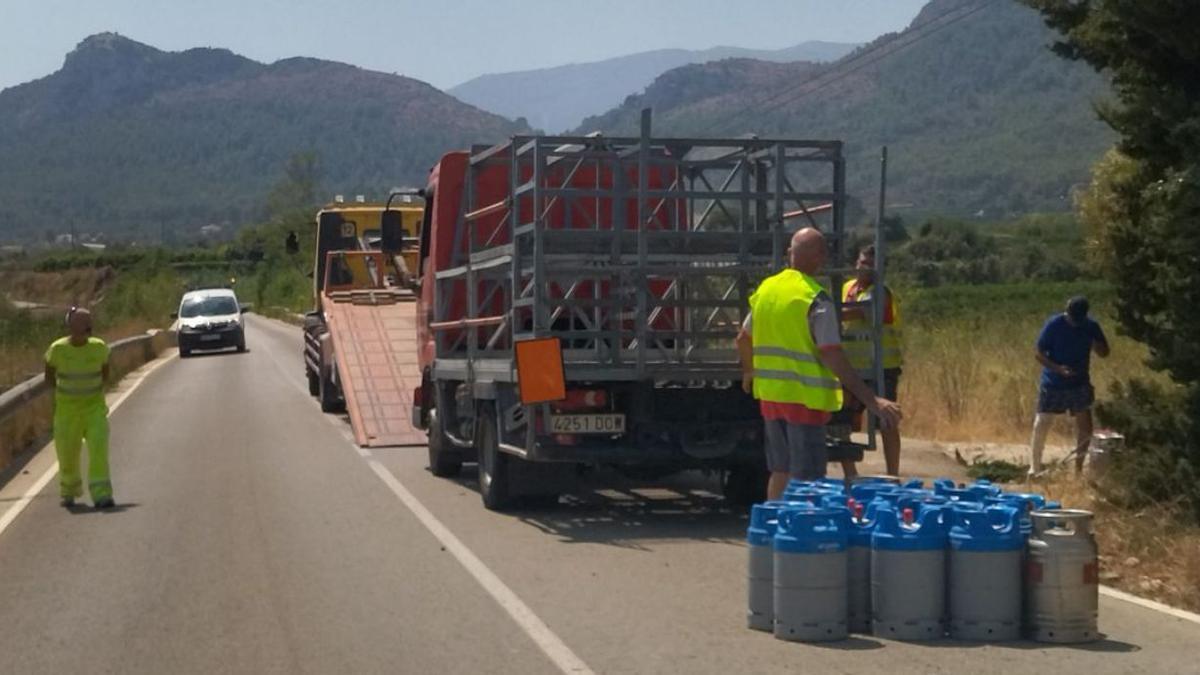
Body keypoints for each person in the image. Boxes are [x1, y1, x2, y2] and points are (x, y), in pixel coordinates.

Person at [736, 228, 902, 501]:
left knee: (780, 471)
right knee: (808, 478)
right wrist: (872, 400)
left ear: (791, 254)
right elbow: (832, 354)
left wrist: (749, 371)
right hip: (804, 401)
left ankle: (775, 528)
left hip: (770, 398)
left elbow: (742, 338)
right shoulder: (815, 298)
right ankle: (803, 537)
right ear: (820, 257)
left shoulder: (767, 290)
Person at [839, 244, 904, 477]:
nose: (862, 267)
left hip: (882, 367)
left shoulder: (881, 292)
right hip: (852, 368)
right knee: (841, 422)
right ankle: (851, 475)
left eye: (868, 264)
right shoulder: (847, 287)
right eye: (861, 261)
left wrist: (826, 312)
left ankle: (892, 474)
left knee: (886, 421)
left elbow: (857, 312)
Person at [1029, 296, 1110, 476]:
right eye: (1072, 319)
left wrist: (1096, 344)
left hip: (1079, 382)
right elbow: (1039, 353)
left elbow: (1104, 352)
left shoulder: (1091, 326)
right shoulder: (1054, 325)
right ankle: (1034, 467)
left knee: (1085, 426)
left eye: (1078, 320)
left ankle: (1078, 470)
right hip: (1053, 381)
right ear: (1067, 312)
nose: (1075, 323)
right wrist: (1058, 369)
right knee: (1042, 421)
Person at [44, 307, 115, 508]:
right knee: (67, 453)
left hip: (94, 410)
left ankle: (102, 494)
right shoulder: (58, 349)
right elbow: (49, 375)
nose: (84, 329)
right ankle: (69, 490)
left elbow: (105, 372)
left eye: (86, 325)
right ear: (70, 326)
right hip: (67, 412)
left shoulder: (99, 348)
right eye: (79, 325)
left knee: (98, 451)